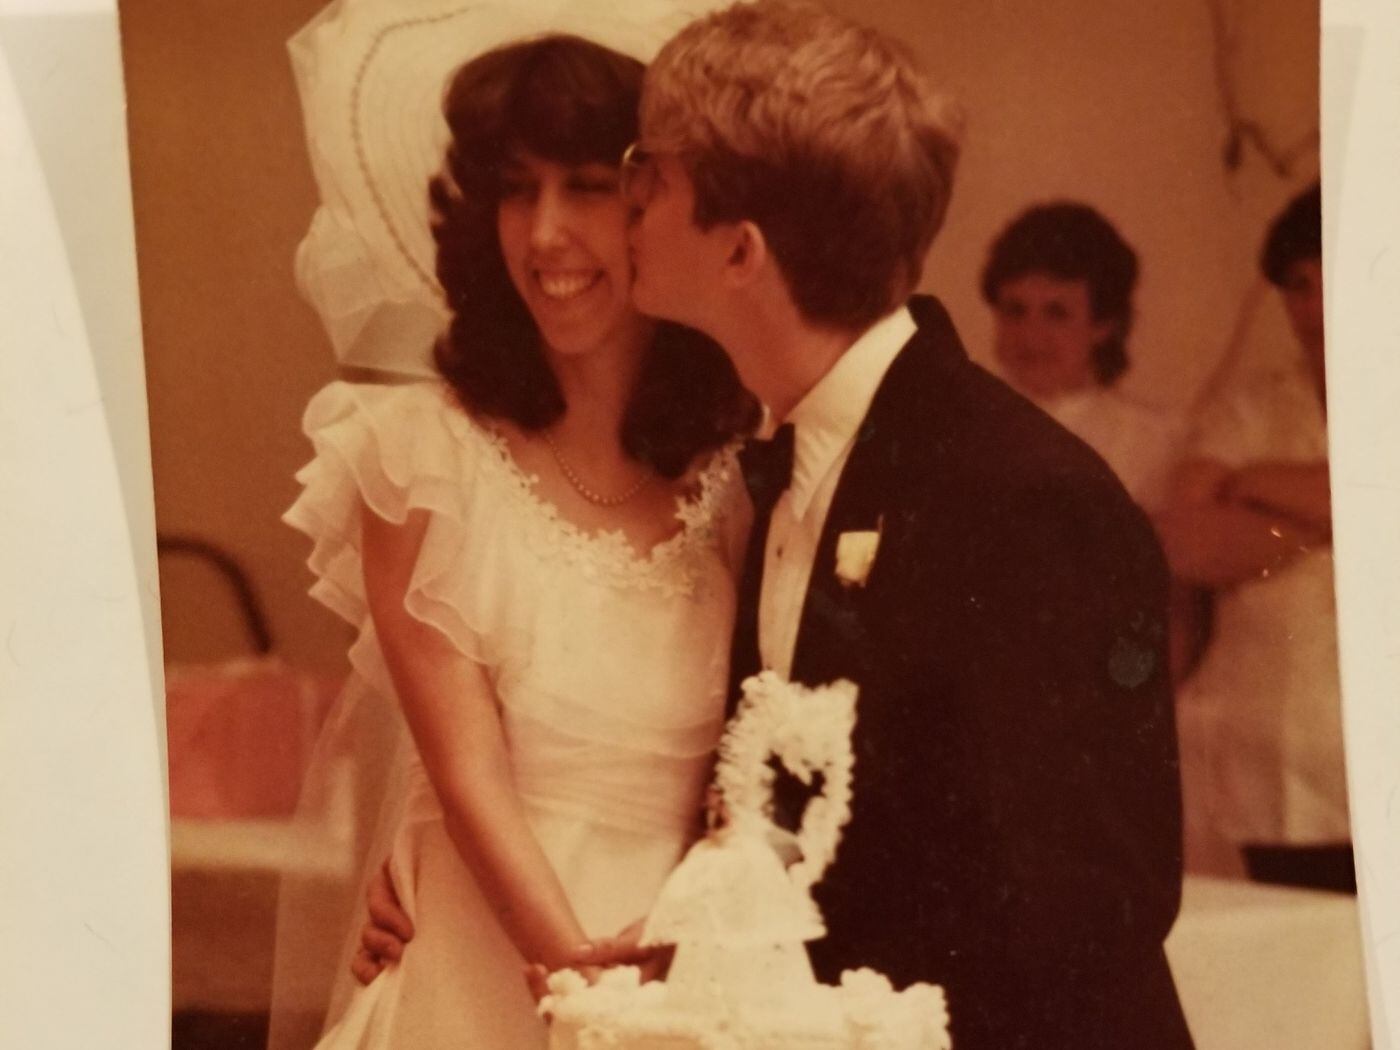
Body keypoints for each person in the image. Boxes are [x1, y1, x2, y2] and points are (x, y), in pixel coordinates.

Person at [364, 3, 1192, 1047]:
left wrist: (773, 998)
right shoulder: (766, 465)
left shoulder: (1018, 494)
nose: (620, 209)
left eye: (642, 181)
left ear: (740, 253)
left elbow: (1085, 910)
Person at [275, 16, 756, 1050]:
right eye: (514, 188)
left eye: (584, 185)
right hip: (481, 969)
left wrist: (679, 972)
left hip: (684, 970)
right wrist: (586, 991)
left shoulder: (736, 477)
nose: (543, 235)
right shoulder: (416, 457)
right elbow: (465, 774)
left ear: (655, 203)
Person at [1158, 183, 1351, 892]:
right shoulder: (1245, 410)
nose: (1316, 309)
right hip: (1268, 762)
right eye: (1299, 286)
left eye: (1336, 278)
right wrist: (1341, 510)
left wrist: (1258, 483)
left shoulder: (1251, 454)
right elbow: (1190, 545)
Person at [980, 202, 1187, 515]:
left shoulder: (1151, 443)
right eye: (1015, 311)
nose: (1030, 335)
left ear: (1103, 325)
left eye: (1057, 313)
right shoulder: (956, 425)